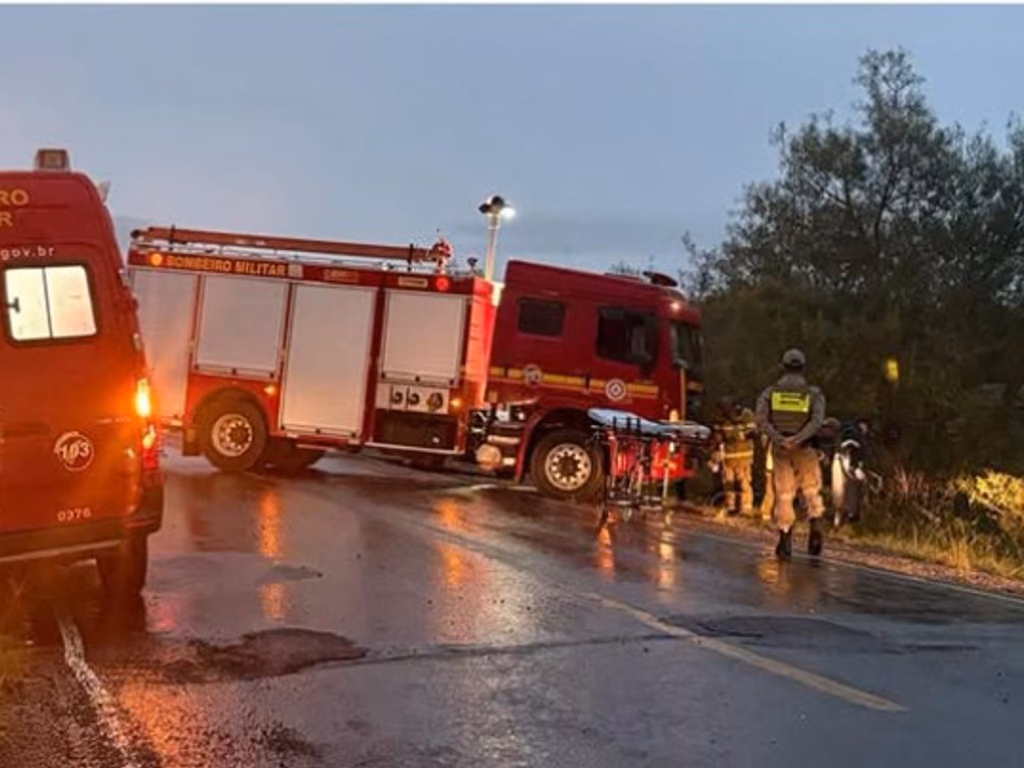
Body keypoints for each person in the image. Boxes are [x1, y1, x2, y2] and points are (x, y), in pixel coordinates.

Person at [755, 348, 827, 559]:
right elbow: (817, 421)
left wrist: (779, 438)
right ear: (803, 368)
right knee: (811, 490)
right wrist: (799, 438)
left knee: (784, 494)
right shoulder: (813, 394)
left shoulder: (770, 393)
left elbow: (761, 420)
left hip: (781, 450)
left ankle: (785, 539)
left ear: (783, 366)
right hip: (805, 448)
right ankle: (815, 528)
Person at [714, 397, 757, 516]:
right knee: (728, 482)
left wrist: (741, 435)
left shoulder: (746, 415)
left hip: (744, 456)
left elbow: (753, 433)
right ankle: (730, 506)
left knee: (744, 482)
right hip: (728, 457)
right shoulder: (721, 419)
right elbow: (717, 437)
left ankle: (746, 508)